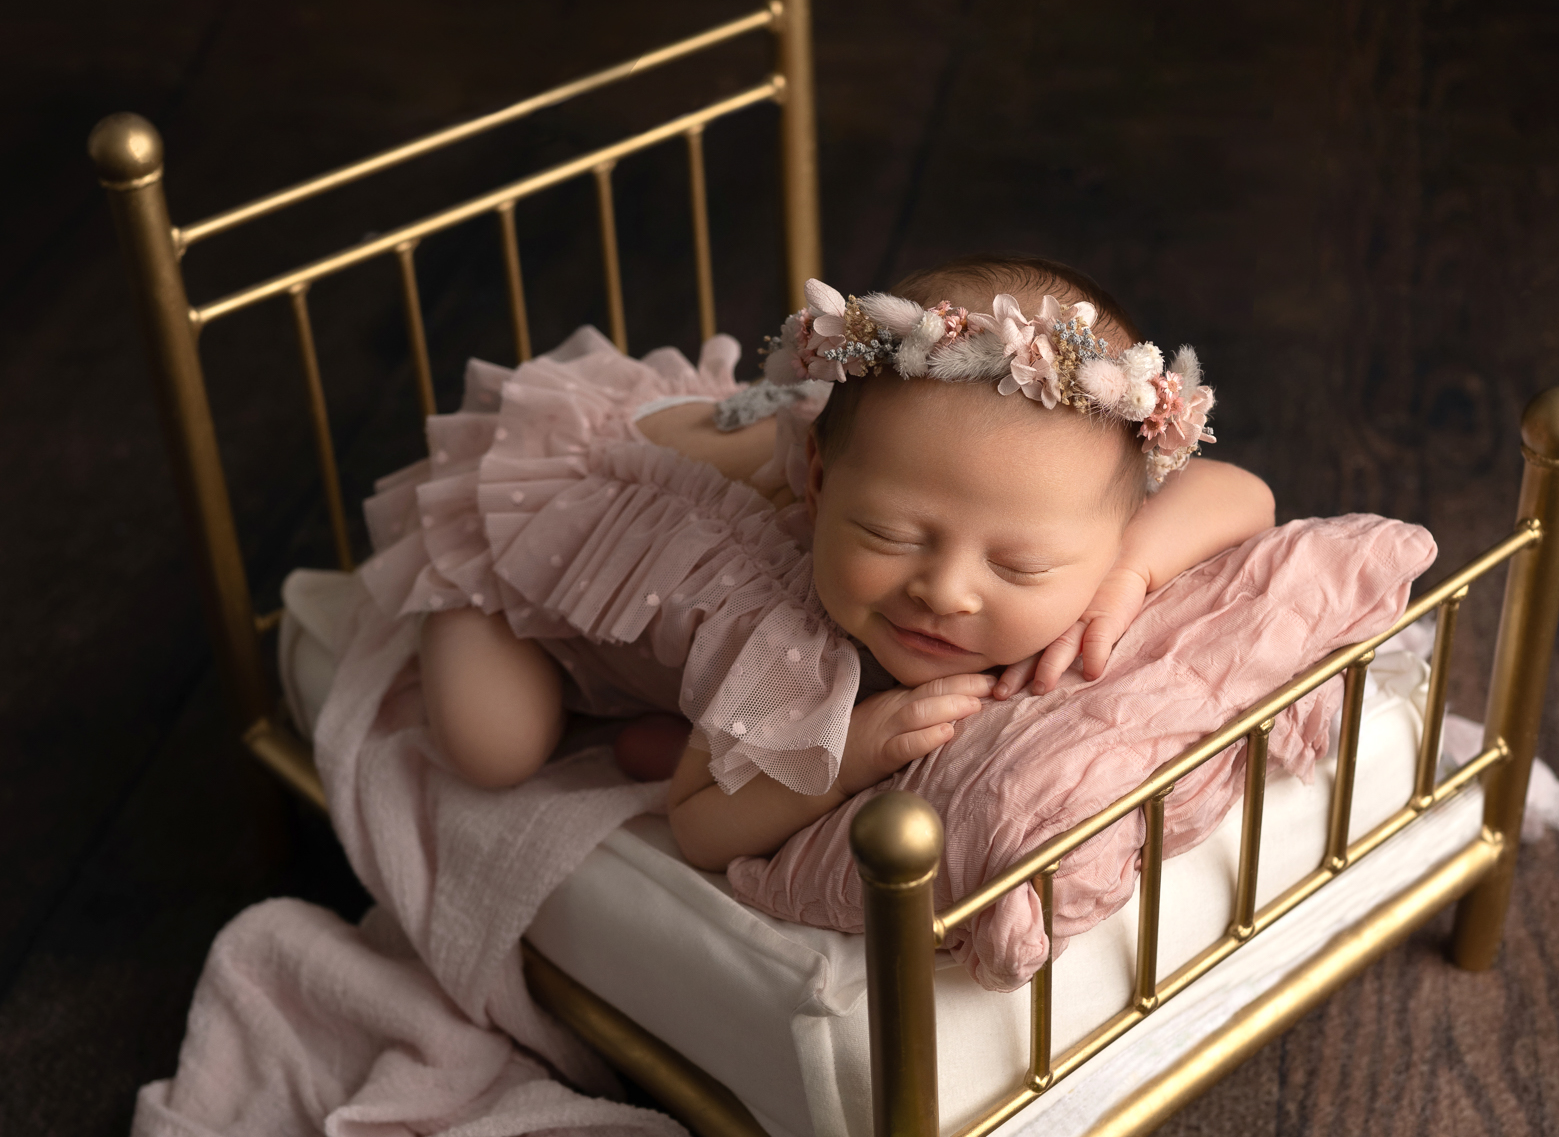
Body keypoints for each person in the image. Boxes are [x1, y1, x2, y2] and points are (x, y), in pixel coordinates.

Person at [362, 256, 1274, 873]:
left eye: (1022, 567)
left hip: (760, 454)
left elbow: (1244, 495)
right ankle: (465, 599)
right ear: (818, 481)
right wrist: (850, 758)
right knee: (493, 747)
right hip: (550, 507)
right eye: (889, 536)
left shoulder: (1071, 508)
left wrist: (1129, 576)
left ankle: (679, 691)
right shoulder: (796, 646)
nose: (945, 591)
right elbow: (699, 826)